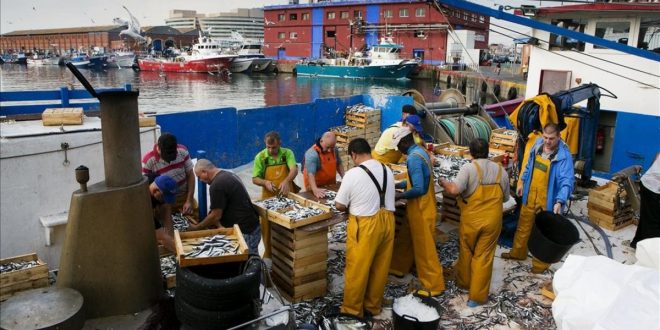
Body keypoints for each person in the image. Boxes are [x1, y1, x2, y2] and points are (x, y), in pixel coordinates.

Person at [439, 138, 510, 307]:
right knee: (483, 256)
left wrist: (443, 182)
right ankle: (476, 298)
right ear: (487, 151)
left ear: (470, 152)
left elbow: (454, 190)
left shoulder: (469, 168)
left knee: (467, 250)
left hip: (472, 220)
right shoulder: (501, 171)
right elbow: (506, 198)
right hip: (493, 221)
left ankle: (464, 284)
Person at [334, 138, 396, 318]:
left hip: (366, 224)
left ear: (353, 155)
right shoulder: (387, 169)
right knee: (380, 267)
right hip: (388, 221)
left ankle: (352, 311)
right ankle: (372, 306)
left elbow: (339, 204)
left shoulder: (353, 174)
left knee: (357, 269)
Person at [501, 123, 574, 273]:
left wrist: (560, 201)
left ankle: (540, 265)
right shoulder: (537, 145)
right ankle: (518, 253)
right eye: (545, 137)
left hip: (547, 199)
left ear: (559, 137)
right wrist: (522, 182)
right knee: (523, 225)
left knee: (544, 234)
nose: (547, 141)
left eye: (551, 139)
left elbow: (566, 182)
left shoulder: (563, 156)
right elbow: (528, 165)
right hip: (530, 195)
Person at [390, 127, 445, 296]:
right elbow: (415, 178)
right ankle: (398, 267)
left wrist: (398, 197)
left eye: (398, 146)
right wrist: (397, 184)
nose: (398, 150)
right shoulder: (420, 151)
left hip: (421, 208)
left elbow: (419, 188)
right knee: (406, 237)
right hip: (421, 206)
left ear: (404, 142)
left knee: (425, 250)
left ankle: (434, 286)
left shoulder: (413, 158)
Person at [190, 159, 261, 255]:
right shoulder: (227, 174)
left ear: (204, 172)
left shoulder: (217, 185)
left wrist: (197, 228)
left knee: (249, 263)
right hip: (252, 226)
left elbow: (216, 216)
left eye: (199, 177)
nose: (200, 180)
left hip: (245, 232)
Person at [252, 131, 299, 257]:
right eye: (268, 147)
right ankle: (268, 254)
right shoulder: (260, 157)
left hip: (287, 196)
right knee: (267, 227)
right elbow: (255, 178)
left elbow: (294, 169)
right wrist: (265, 182)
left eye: (274, 147)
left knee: (290, 224)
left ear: (280, 144)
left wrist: (286, 181)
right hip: (269, 197)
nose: (271, 150)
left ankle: (288, 254)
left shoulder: (287, 153)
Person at [142, 133, 198, 220]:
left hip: (184, 197)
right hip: (163, 201)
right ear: (159, 149)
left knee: (195, 220)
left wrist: (189, 200)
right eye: (167, 157)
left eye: (173, 156)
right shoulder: (148, 161)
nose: (170, 160)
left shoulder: (182, 151)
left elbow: (190, 175)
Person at [631, 153, 660, 248]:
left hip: (647, 183)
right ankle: (648, 252)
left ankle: (636, 243)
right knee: (654, 222)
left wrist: (652, 172)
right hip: (653, 188)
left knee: (646, 217)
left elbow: (656, 155)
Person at [303, 131, 345, 198]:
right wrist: (315, 189)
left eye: (332, 147)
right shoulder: (312, 154)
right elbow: (310, 174)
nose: (329, 150)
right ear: (321, 141)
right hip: (315, 186)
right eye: (328, 147)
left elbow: (339, 163)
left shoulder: (334, 149)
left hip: (330, 184)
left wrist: (345, 178)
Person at [147, 174, 178, 253]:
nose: (165, 201)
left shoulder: (157, 179)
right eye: (164, 199)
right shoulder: (143, 204)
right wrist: (180, 253)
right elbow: (161, 237)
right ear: (155, 191)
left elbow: (166, 211)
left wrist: (171, 237)